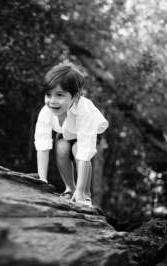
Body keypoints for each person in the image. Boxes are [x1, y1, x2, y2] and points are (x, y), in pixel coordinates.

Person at [34, 63, 108, 206]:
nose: (52, 101)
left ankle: (84, 193)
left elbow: (85, 152)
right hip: (68, 132)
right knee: (61, 147)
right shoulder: (46, 112)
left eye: (60, 95)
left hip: (92, 129)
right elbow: (42, 146)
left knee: (77, 150)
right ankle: (70, 189)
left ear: (76, 96)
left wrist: (81, 191)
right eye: (48, 94)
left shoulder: (84, 112)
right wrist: (42, 180)